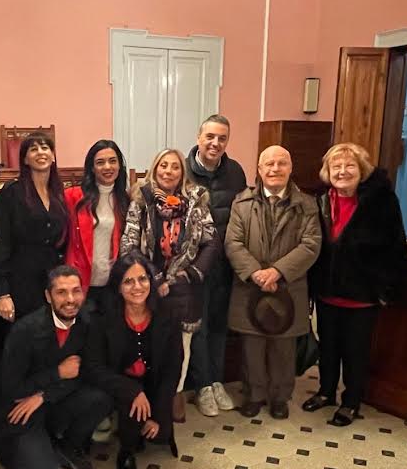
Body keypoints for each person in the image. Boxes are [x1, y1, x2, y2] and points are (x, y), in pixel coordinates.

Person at [305, 143, 407, 426]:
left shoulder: (382, 201)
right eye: (336, 166)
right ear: (327, 172)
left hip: (363, 293)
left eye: (350, 166)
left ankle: (351, 401)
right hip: (327, 290)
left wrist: (385, 289)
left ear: (362, 170)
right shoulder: (320, 200)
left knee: (355, 351)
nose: (343, 171)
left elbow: (396, 246)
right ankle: (326, 392)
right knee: (328, 347)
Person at [0, 266, 113, 469]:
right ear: (48, 296)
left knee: (101, 396)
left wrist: (43, 395)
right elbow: (9, 389)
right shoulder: (24, 330)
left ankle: (67, 447)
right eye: (61, 292)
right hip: (22, 409)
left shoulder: (88, 323)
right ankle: (11, 450)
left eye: (76, 291)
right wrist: (57, 373)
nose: (70, 299)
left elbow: (85, 374)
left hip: (49, 400)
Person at [120, 148, 217, 421]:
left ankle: (175, 394)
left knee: (181, 347)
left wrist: (192, 273)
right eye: (163, 165)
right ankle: (148, 396)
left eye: (175, 167)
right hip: (146, 284)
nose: (168, 171)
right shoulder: (141, 200)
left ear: (182, 173)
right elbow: (128, 245)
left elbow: (211, 242)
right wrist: (156, 278)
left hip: (184, 284)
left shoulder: (196, 202)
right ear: (155, 169)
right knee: (148, 344)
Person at [224, 145, 321, 420]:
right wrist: (256, 273)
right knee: (252, 346)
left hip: (288, 286)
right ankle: (254, 395)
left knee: (283, 347)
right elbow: (233, 243)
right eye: (269, 164)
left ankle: (279, 397)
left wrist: (277, 271)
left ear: (290, 168)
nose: (275, 169)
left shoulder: (307, 204)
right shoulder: (241, 202)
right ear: (259, 169)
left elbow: (311, 244)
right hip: (250, 286)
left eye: (281, 163)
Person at [84, 252, 183, 469]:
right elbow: (94, 367)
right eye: (128, 281)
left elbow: (172, 369)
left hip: (152, 382)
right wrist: (131, 391)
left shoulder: (167, 314)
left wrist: (158, 415)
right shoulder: (103, 318)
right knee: (132, 408)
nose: (137, 287)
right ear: (118, 287)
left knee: (159, 434)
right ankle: (125, 455)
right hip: (117, 383)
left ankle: (139, 426)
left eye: (142, 279)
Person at [185, 115, 248, 415]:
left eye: (222, 138)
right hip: (195, 265)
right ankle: (202, 386)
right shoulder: (183, 171)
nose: (215, 143)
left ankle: (217, 380)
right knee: (200, 326)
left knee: (220, 324)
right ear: (199, 137)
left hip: (225, 263)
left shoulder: (235, 172)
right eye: (210, 136)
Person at [0, 132, 69, 325]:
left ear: (53, 156)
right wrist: (2, 293)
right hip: (20, 281)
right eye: (33, 149)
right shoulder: (11, 193)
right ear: (25, 159)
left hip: (51, 281)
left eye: (45, 148)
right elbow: (1, 244)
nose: (40, 152)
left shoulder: (59, 193)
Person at [64, 140, 130, 313]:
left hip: (112, 285)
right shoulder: (73, 196)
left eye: (113, 161)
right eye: (100, 162)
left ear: (119, 165)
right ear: (92, 168)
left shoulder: (124, 200)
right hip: (79, 283)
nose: (107, 167)